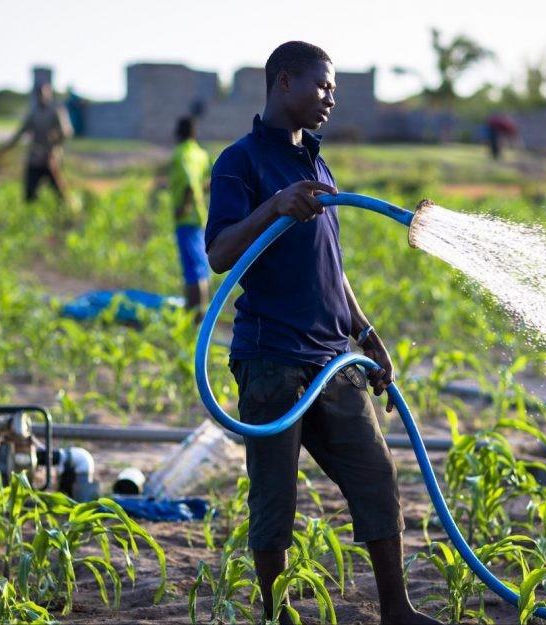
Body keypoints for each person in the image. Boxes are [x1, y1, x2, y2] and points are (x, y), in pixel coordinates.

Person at [205, 41, 441, 625]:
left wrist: (366, 333)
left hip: (333, 359)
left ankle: (397, 610)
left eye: (333, 88)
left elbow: (330, 264)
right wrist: (275, 207)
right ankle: (278, 614)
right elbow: (219, 253)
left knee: (378, 480)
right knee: (274, 502)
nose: (331, 97)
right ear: (284, 83)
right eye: (322, 85)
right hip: (272, 360)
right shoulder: (240, 162)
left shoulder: (317, 162)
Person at [167, 116, 212, 320]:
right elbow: (210, 181)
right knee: (201, 266)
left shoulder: (180, 154)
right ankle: (201, 314)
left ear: (178, 133)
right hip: (201, 217)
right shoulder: (201, 154)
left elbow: (188, 182)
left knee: (193, 270)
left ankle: (195, 318)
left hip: (187, 219)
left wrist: (183, 207)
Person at [0, 82, 72, 202]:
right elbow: (20, 133)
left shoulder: (56, 111)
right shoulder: (34, 113)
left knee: (59, 194)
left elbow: (67, 132)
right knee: (30, 194)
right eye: (39, 94)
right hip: (35, 158)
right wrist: (5, 148)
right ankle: (32, 215)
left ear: (49, 94)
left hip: (50, 159)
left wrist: (55, 142)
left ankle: (68, 213)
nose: (42, 96)